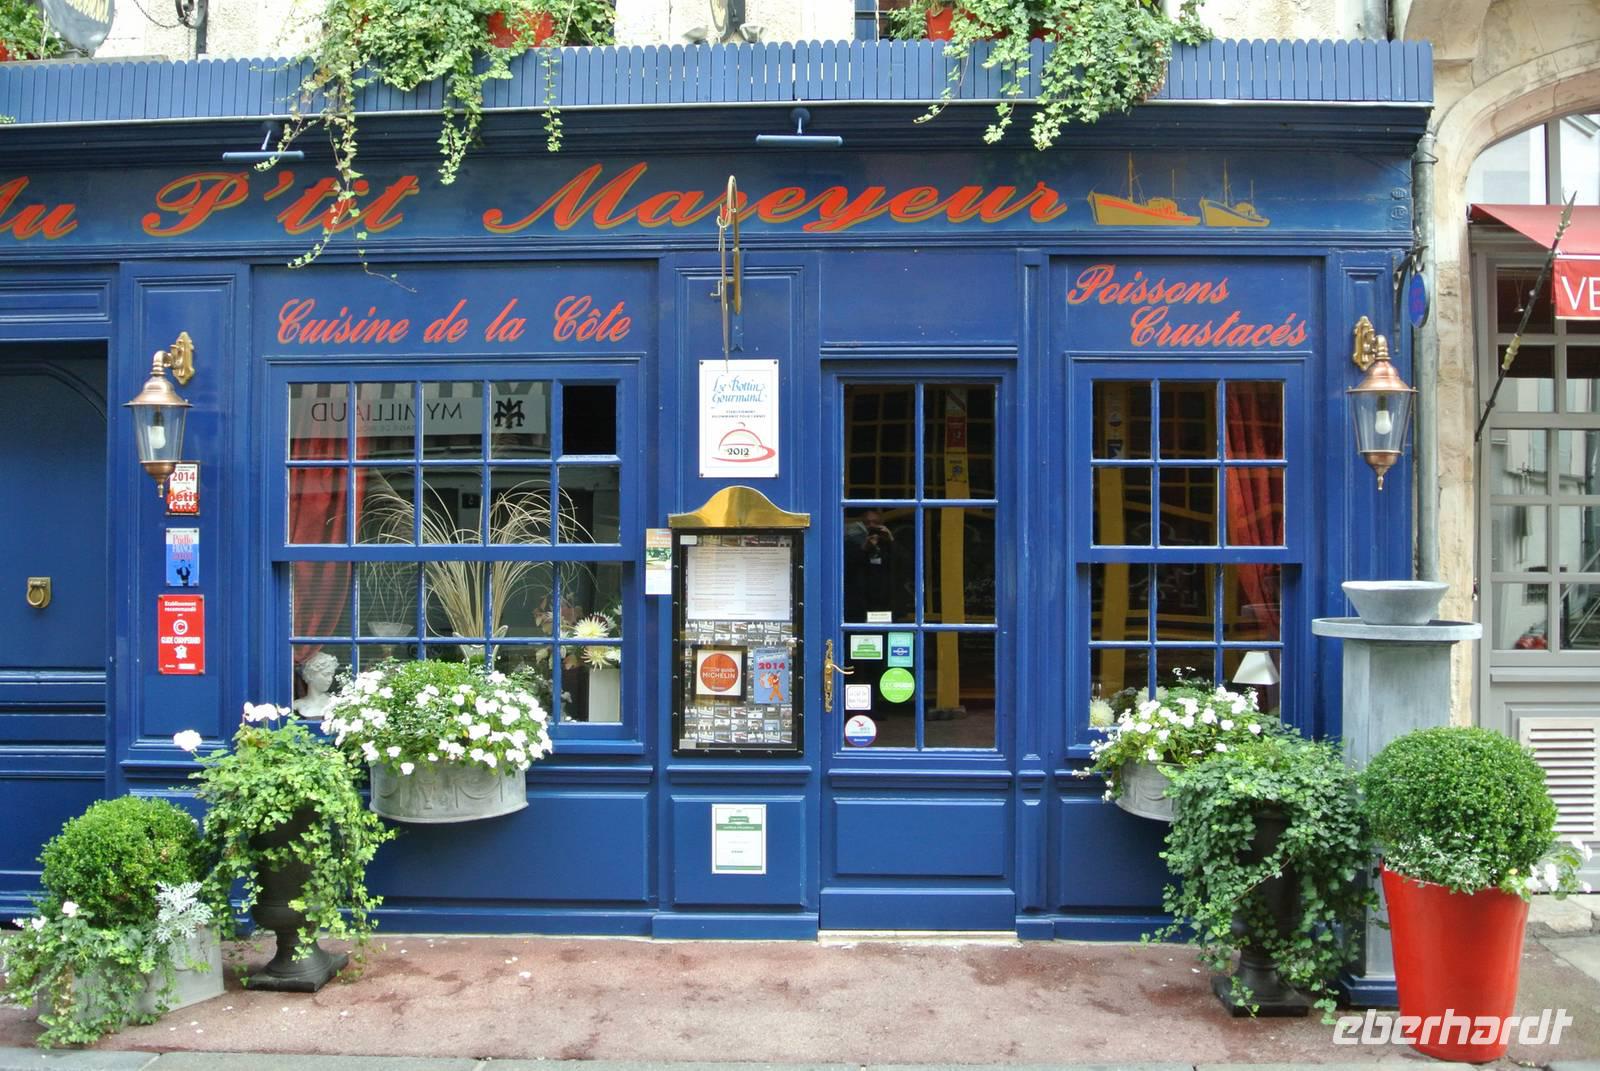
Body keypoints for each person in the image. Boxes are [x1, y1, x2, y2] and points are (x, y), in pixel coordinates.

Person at [844, 508, 896, 621]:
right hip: (859, 603)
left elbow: (904, 564)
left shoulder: (888, 543)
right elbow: (846, 566)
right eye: (867, 523)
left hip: (886, 602)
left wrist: (891, 540)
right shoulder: (851, 542)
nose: (871, 526)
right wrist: (864, 549)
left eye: (875, 523)